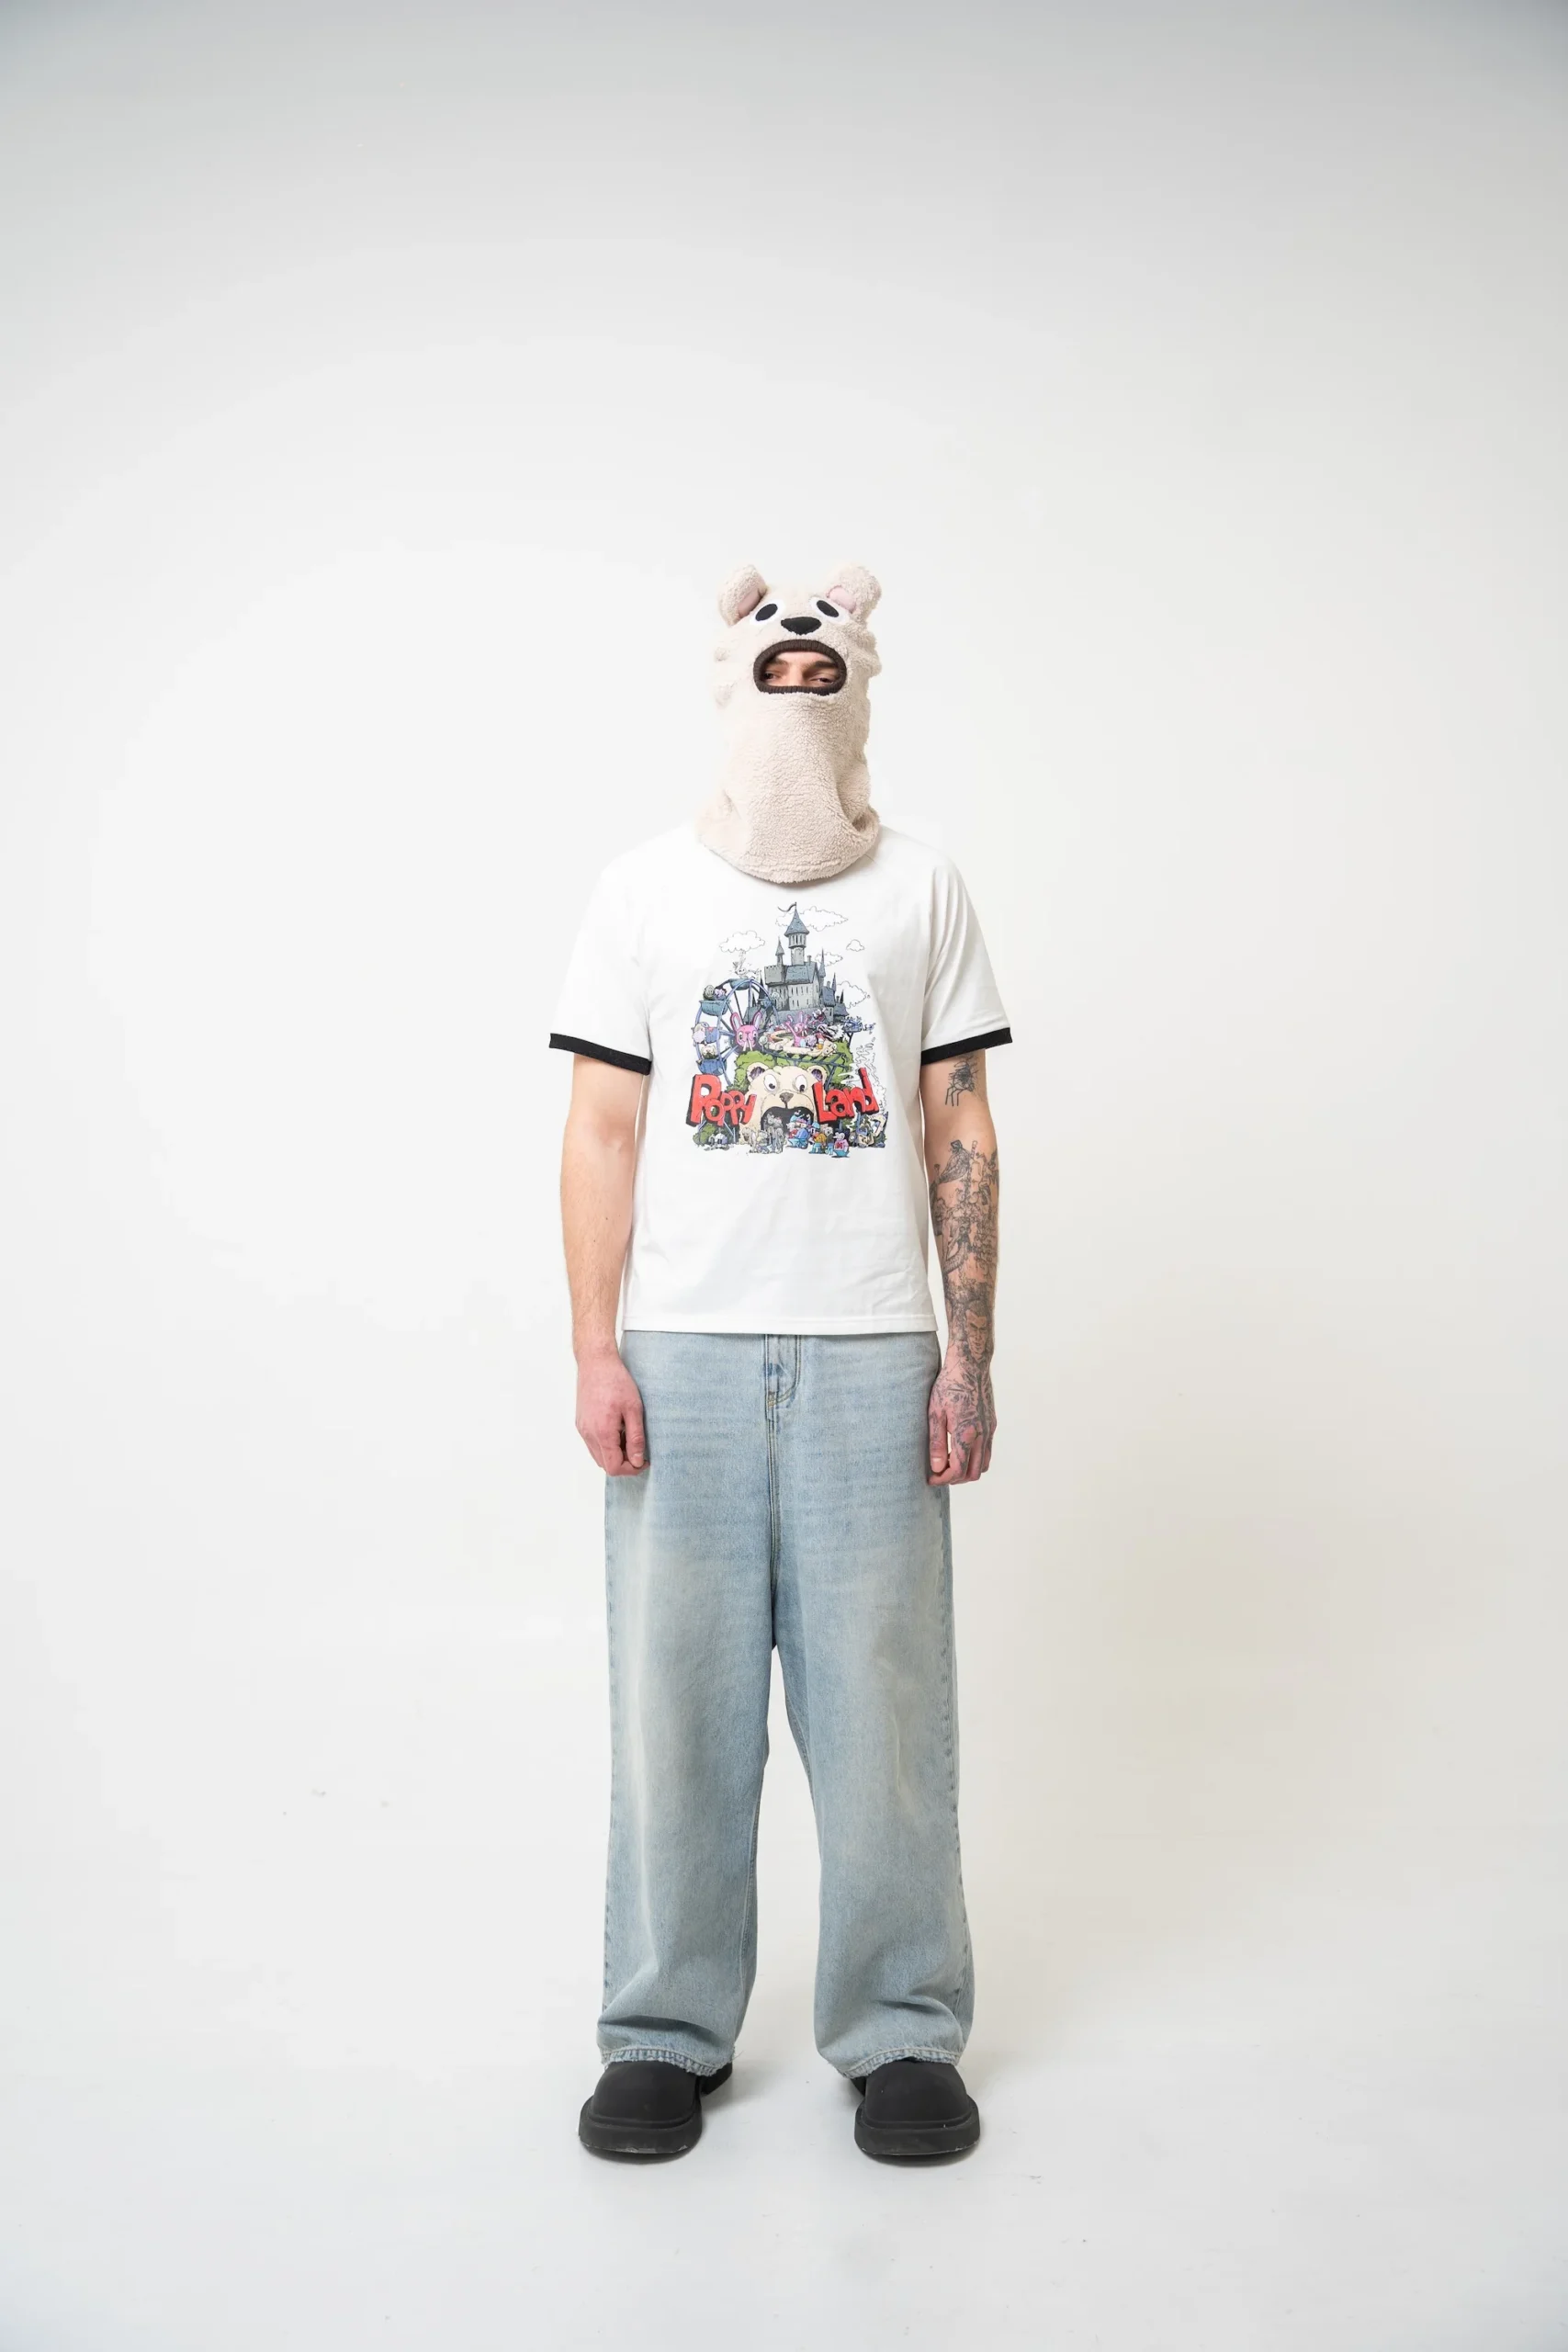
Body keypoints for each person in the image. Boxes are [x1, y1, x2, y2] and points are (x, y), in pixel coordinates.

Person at [549, 564, 1010, 2162]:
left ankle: (900, 2028)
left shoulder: (923, 889)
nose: (798, 690)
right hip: (680, 1348)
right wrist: (594, 1348)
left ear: (862, 682)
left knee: (882, 1706)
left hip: (873, 1344)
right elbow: (601, 1128)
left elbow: (958, 1121)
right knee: (675, 1708)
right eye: (773, 667)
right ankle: (662, 2031)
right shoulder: (641, 891)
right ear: (728, 678)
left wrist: (969, 1355)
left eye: (825, 671)